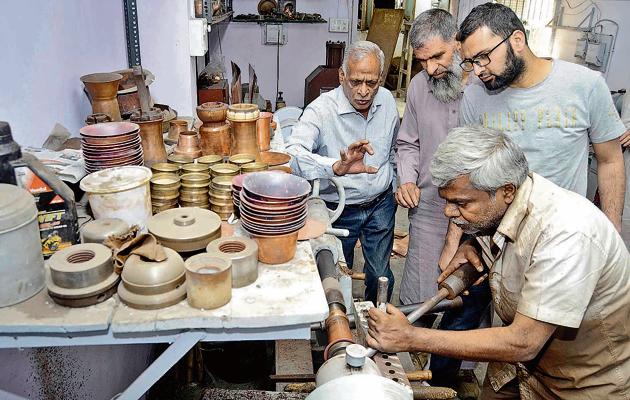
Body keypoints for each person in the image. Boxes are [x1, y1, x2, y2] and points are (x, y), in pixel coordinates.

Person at [367, 126, 630, 399]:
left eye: (460, 203)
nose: (449, 212)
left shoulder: (568, 233)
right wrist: (473, 250)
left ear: (506, 191)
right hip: (516, 371)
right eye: (447, 201)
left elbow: (524, 341)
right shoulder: (504, 204)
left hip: (579, 385)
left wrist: (412, 338)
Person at [439, 2, 626, 269]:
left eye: (483, 57)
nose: (478, 70)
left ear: (517, 40)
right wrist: (454, 243)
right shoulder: (475, 96)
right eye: (470, 62)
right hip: (495, 239)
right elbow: (464, 175)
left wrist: (611, 234)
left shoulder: (586, 85)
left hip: (562, 240)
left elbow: (610, 161)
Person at [394, 9, 488, 391]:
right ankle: (420, 368)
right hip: (430, 208)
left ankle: (454, 369)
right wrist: (407, 179)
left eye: (438, 57)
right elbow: (408, 143)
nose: (431, 68)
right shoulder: (418, 87)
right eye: (422, 61)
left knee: (468, 292)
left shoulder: (485, 88)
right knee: (422, 288)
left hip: (481, 212)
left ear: (457, 44)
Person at [286, 40, 399, 303]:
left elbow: (394, 149)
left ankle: (377, 326)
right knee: (336, 275)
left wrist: (394, 183)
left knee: (381, 275)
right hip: (338, 209)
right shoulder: (321, 110)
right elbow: (292, 155)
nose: (363, 91)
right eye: (355, 81)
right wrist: (334, 167)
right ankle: (338, 330)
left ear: (380, 78)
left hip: (380, 205)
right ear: (342, 76)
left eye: (371, 83)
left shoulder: (388, 101)